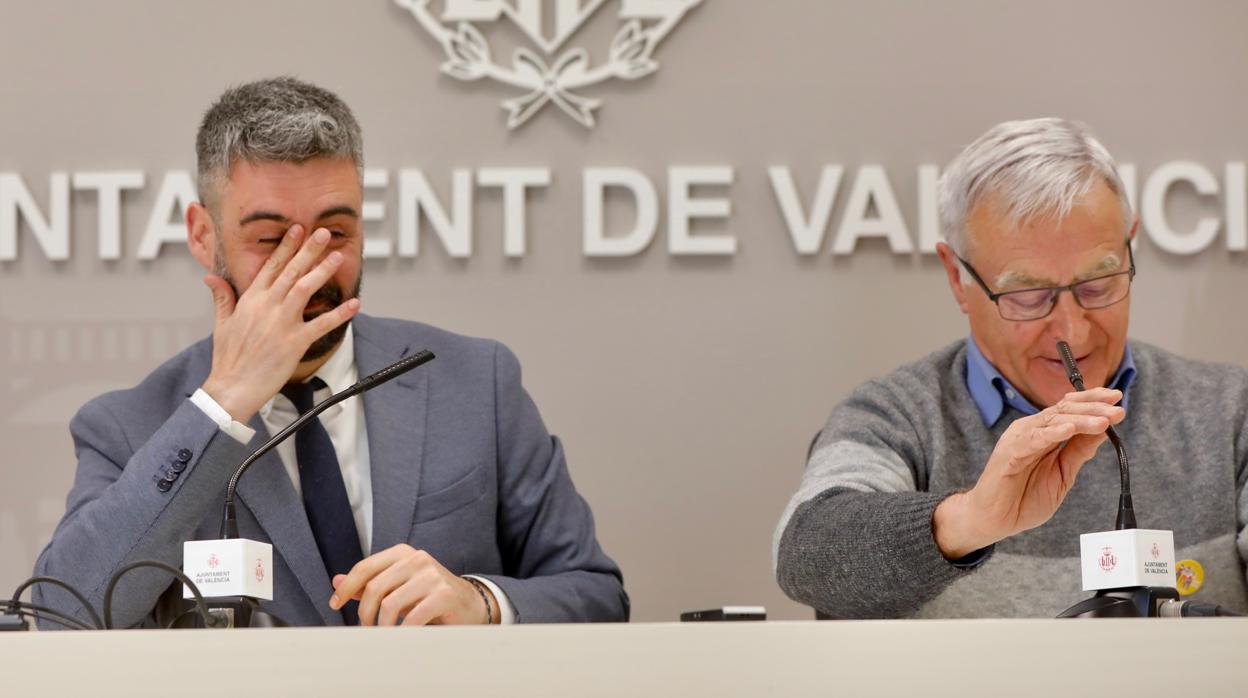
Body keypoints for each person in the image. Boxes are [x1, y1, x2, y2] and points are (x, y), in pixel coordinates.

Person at [34, 77, 627, 627]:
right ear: (202, 234)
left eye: (336, 232)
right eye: (270, 239)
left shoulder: (475, 382)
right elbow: (66, 612)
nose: (310, 266)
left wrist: (482, 603)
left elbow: (598, 596)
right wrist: (223, 405)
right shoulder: (129, 426)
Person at [774, 118, 1248, 618]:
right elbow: (808, 551)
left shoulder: (1230, 410)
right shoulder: (895, 417)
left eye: (1099, 283)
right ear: (958, 279)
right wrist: (969, 520)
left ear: (1130, 245)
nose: (1072, 330)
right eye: (1028, 296)